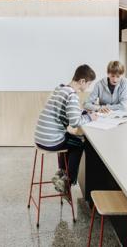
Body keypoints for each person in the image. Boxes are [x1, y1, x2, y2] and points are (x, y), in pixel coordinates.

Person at [34, 64, 99, 196]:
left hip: (40, 137)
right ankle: (67, 182)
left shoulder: (61, 88)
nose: (88, 88)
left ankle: (61, 173)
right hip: (51, 140)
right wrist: (90, 117)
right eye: (88, 84)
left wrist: (81, 112)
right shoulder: (72, 95)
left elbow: (67, 110)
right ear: (82, 81)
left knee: (69, 139)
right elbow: (75, 122)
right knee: (79, 143)